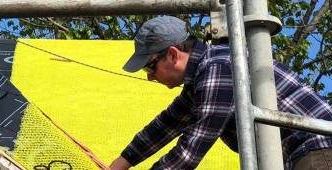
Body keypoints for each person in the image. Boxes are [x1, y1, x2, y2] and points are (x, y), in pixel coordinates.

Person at [109, 16, 332, 170]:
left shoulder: (218, 67)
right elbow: (165, 125)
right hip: (304, 154)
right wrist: (120, 164)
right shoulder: (202, 76)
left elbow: (191, 150)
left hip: (319, 150)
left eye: (150, 67)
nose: (149, 76)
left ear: (173, 54)